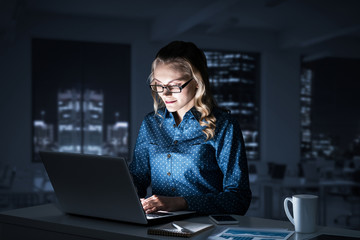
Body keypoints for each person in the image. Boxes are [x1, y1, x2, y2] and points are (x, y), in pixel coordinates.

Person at [129, 41, 251, 215]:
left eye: (174, 85)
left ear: (196, 82)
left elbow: (239, 199)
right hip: (158, 226)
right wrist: (128, 194)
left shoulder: (224, 125)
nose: (164, 93)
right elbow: (137, 178)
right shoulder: (151, 123)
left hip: (207, 226)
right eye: (158, 84)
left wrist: (181, 203)